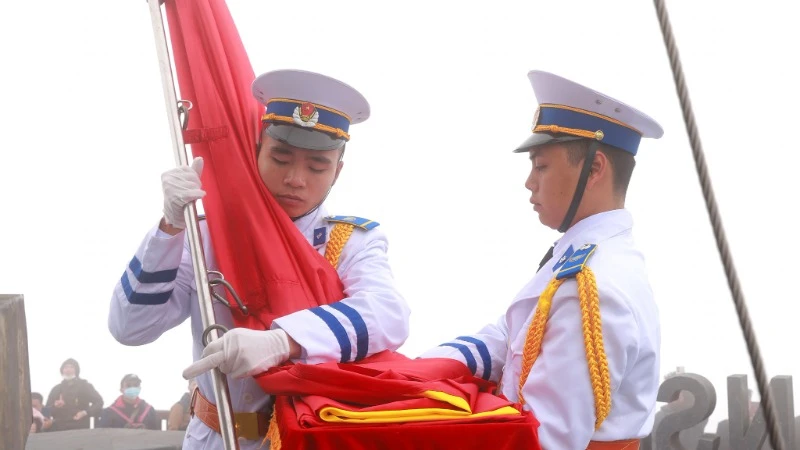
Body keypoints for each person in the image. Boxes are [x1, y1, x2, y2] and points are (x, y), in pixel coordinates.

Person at [108, 69, 410, 449]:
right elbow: (130, 328)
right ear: (256, 153)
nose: (296, 179)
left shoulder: (348, 240)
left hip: (306, 436)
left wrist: (285, 341)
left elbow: (388, 314)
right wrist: (169, 227)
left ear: (338, 172)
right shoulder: (204, 234)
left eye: (317, 166)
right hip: (213, 437)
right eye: (281, 158)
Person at [419, 70, 663, 449]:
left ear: (594, 169)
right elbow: (509, 335)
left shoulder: (594, 285)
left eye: (541, 165)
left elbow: (545, 440)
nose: (530, 182)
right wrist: (416, 371)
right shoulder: (579, 260)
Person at [44, 358, 104, 431]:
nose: (68, 370)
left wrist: (85, 412)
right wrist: (55, 406)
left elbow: (99, 402)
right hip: (59, 428)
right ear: (62, 371)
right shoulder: (56, 389)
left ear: (76, 371)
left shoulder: (85, 385)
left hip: (81, 427)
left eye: (72, 367)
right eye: (65, 367)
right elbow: (46, 410)